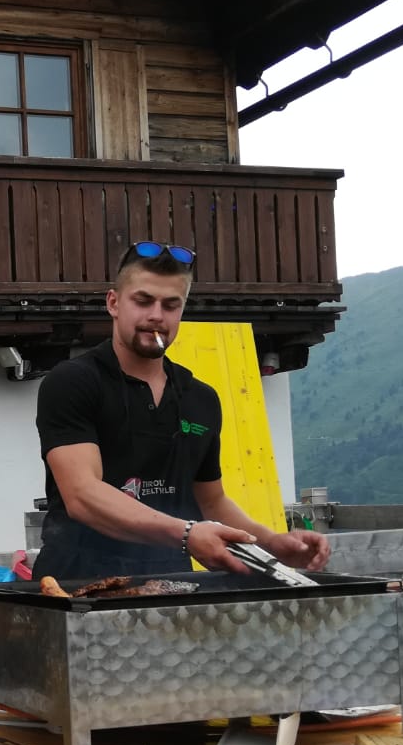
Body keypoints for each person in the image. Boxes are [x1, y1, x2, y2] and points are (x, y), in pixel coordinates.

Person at [32, 240, 331, 579]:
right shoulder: (73, 382)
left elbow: (211, 501)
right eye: (143, 301)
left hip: (173, 585)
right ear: (113, 303)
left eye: (171, 305)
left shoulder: (200, 399)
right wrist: (187, 534)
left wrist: (271, 542)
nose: (156, 316)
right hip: (76, 585)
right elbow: (83, 495)